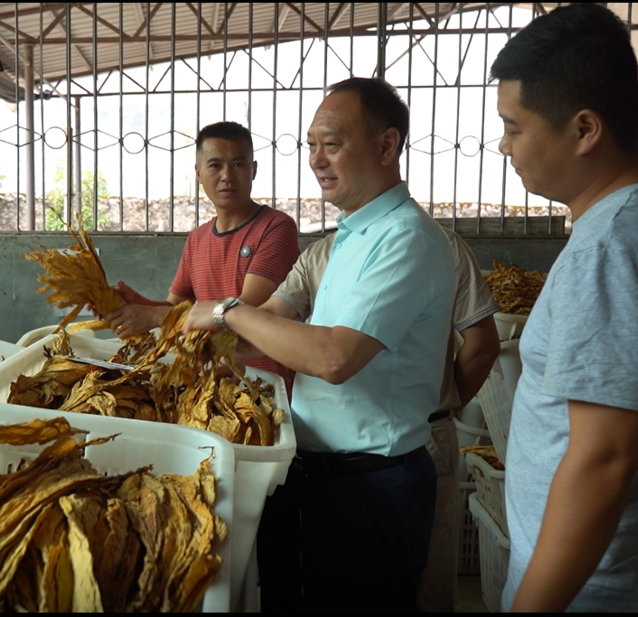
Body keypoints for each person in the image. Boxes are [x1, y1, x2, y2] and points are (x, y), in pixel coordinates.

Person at [490, 4, 638, 612]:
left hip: (601, 593)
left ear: (584, 129)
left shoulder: (615, 245)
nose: (504, 144)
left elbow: (603, 459)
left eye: (515, 126)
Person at [183, 77, 456, 611]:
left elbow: (333, 357)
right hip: (322, 474)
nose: (316, 160)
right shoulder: (350, 236)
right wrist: (203, 356)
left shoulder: (406, 239)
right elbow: (278, 325)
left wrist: (225, 310)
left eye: (332, 144)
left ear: (386, 145)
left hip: (375, 487)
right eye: (311, 146)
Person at [257, 224, 501, 612]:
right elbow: (269, 317)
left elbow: (483, 344)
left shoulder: (432, 244)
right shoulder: (323, 252)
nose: (321, 162)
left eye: (336, 156)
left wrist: (443, 406)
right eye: (315, 157)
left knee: (424, 588)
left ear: (385, 158)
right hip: (334, 458)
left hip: (418, 440)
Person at [98, 121, 300, 394]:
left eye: (238, 164)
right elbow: (176, 307)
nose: (227, 175)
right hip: (208, 384)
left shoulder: (276, 227)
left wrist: (153, 316)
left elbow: (242, 313)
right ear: (199, 173)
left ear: (253, 170)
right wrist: (136, 303)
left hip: (264, 387)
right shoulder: (197, 239)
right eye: (215, 165)